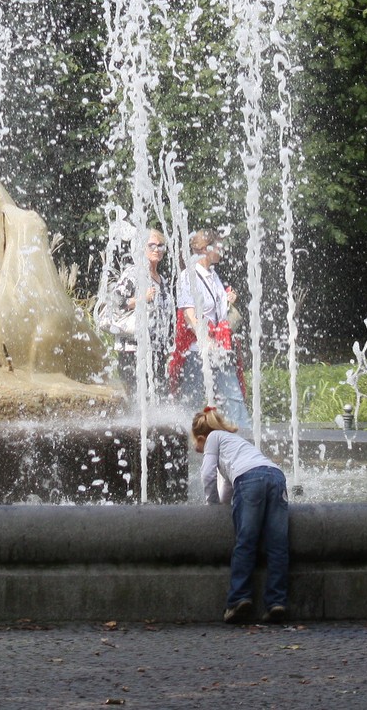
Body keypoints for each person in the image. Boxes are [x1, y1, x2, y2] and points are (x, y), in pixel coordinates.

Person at [193, 406, 289, 625]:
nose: (197, 449)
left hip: (250, 480)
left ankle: (239, 599)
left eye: (196, 444)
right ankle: (277, 602)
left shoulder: (213, 438)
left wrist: (212, 505)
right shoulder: (236, 445)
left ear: (201, 437)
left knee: (245, 541)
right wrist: (223, 505)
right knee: (278, 544)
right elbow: (228, 488)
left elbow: (207, 474)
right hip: (276, 477)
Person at [171, 230, 251, 429]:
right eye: (218, 246)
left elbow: (217, 314)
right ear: (206, 250)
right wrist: (206, 339)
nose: (222, 250)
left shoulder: (213, 275)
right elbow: (189, 315)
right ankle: (180, 444)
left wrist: (227, 299)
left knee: (234, 399)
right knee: (190, 402)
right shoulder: (188, 276)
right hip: (199, 352)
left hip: (220, 350)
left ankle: (245, 444)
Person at [100, 228, 174, 395]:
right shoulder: (134, 273)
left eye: (160, 246)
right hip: (133, 350)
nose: (156, 249)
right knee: (137, 400)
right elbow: (114, 303)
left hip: (156, 351)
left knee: (158, 399)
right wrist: (141, 299)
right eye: (152, 245)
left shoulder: (162, 280)